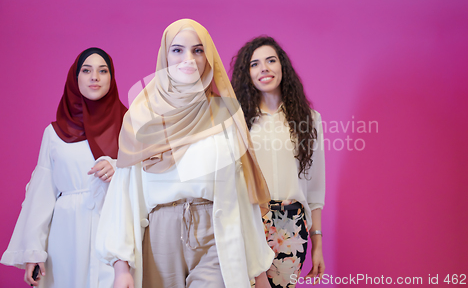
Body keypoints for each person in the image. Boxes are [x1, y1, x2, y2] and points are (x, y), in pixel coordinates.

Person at [95, 19, 274, 288]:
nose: (187, 59)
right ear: (165, 55)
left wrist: (258, 271)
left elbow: (239, 193)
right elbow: (125, 192)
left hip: (215, 231)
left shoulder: (225, 114)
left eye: (198, 50)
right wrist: (122, 267)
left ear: (208, 58)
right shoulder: (141, 116)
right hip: (158, 236)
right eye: (177, 50)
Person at [0, 47, 127, 287]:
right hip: (67, 232)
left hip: (114, 230)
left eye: (103, 70)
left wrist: (118, 168)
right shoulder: (54, 133)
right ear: (75, 77)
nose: (94, 77)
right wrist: (34, 253)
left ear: (112, 78)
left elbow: (148, 178)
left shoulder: (129, 125)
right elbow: (42, 194)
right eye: (86, 70)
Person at [230, 36, 326, 287]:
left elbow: (315, 186)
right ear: (247, 74)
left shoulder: (310, 119)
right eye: (255, 64)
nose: (264, 68)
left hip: (291, 223)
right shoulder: (236, 120)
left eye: (271, 60)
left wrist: (317, 243)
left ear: (282, 67)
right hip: (248, 218)